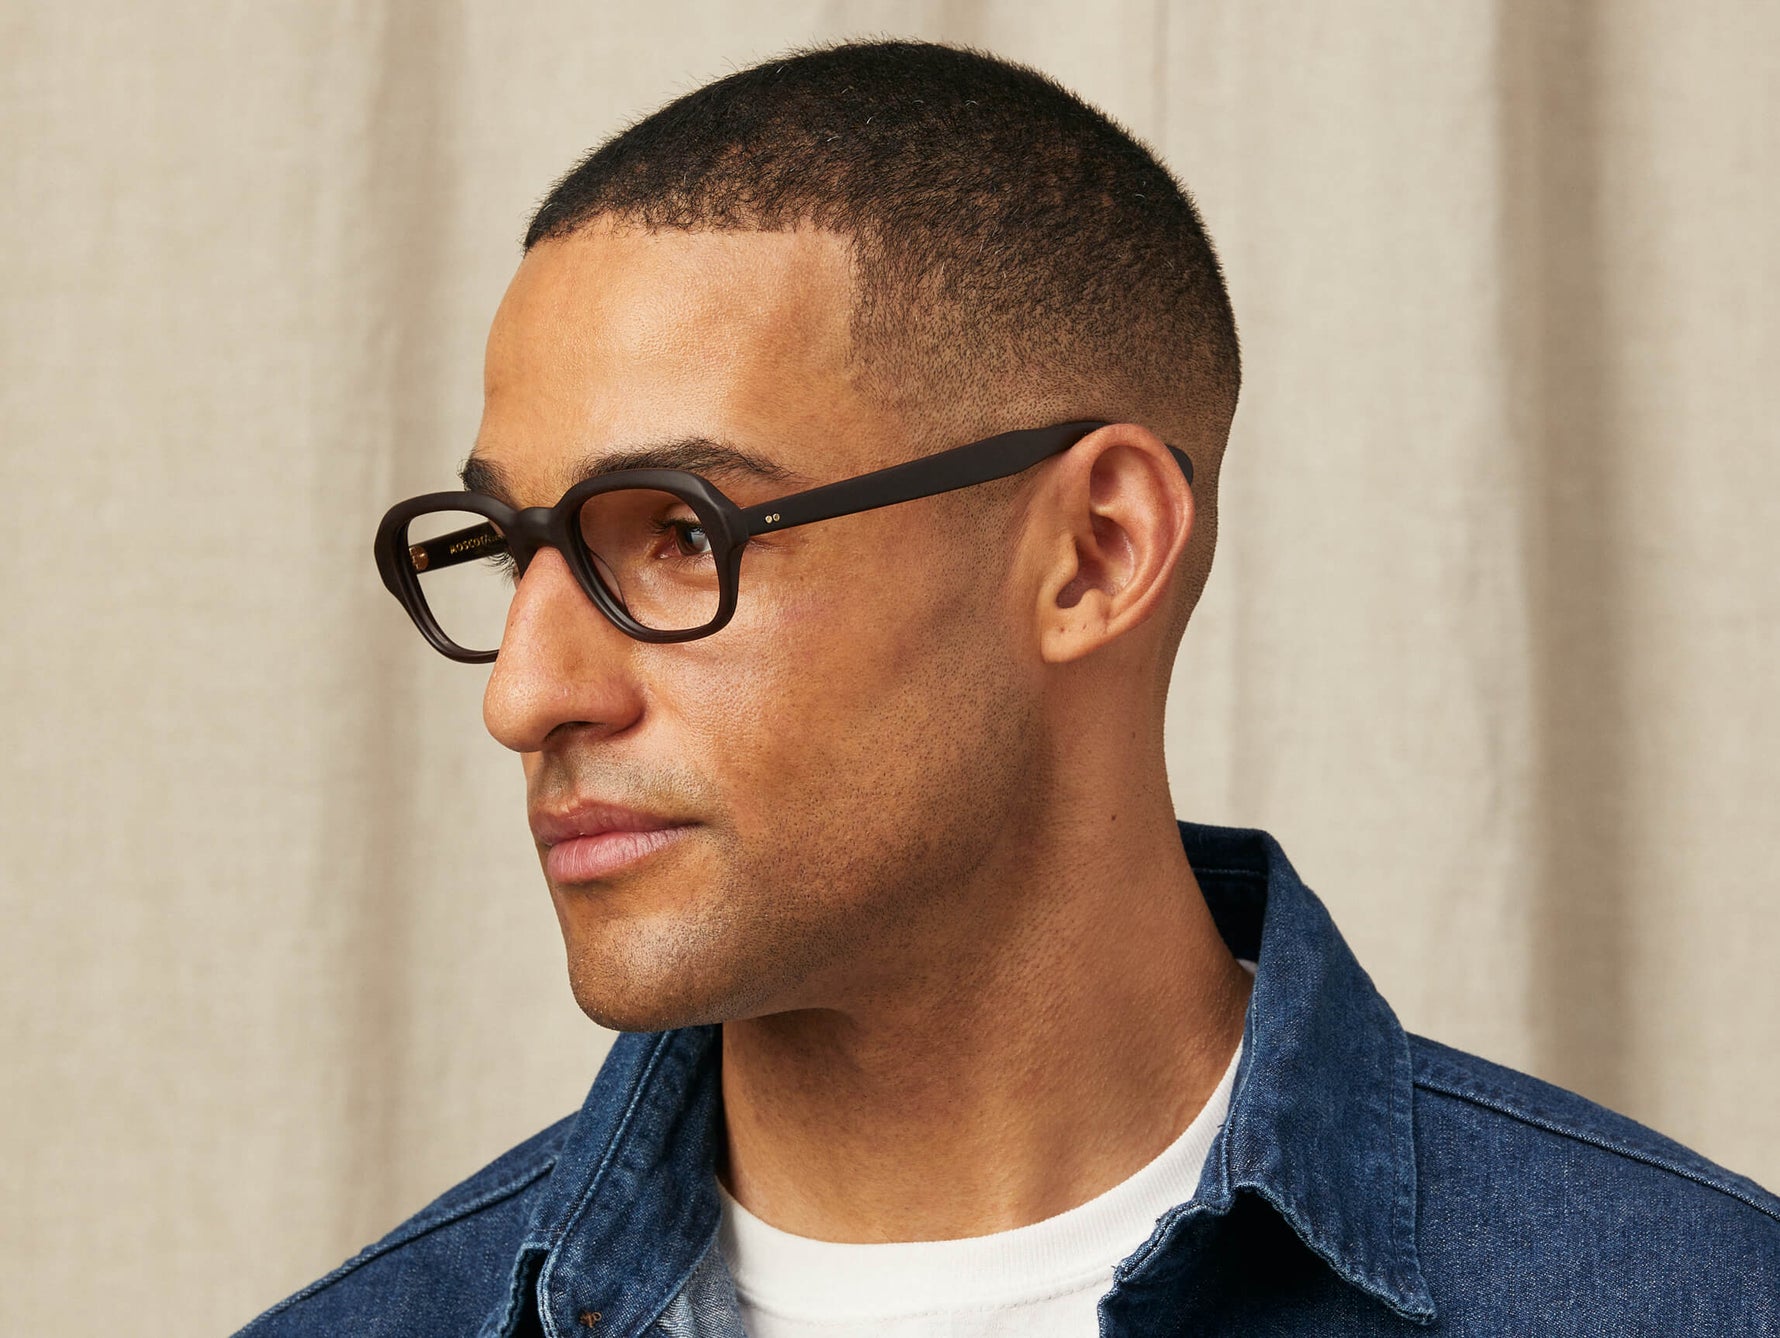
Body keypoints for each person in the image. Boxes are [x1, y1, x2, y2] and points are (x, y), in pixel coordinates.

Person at [236, 38, 1780, 1338]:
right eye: (512, 551)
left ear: (1097, 551)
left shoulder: (1696, 1302)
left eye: (681, 534)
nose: (524, 695)